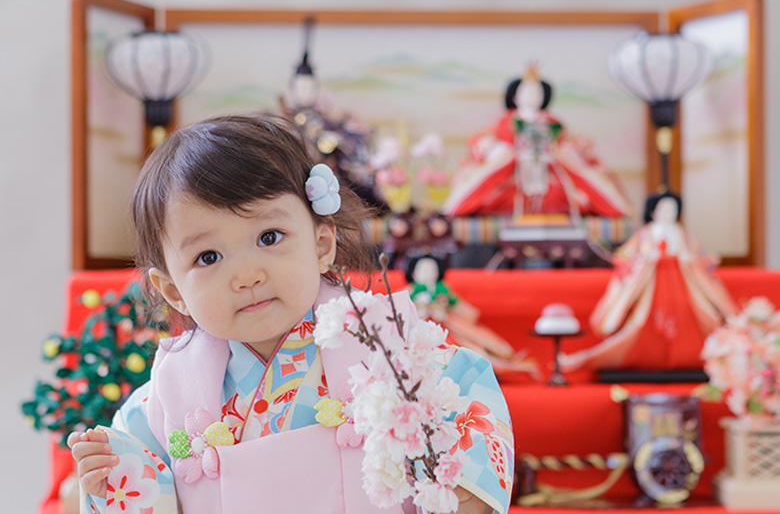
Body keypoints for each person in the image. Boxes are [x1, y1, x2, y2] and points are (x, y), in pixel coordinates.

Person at [67, 114, 514, 514]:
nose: (246, 275)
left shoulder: (386, 348)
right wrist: (114, 472)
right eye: (207, 257)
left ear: (321, 244)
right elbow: (142, 483)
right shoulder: (167, 398)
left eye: (268, 237)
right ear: (173, 291)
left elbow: (468, 395)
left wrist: (464, 488)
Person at [559, 191, 738, 372]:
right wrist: (644, 260)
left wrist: (688, 259)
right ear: (653, 212)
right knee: (642, 322)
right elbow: (624, 258)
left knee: (690, 316)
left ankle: (702, 357)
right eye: (665, 208)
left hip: (680, 281)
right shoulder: (646, 234)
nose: (670, 212)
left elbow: (703, 257)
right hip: (652, 283)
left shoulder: (681, 234)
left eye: (673, 208)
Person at [443, 66, 632, 221]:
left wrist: (558, 154)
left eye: (537, 92)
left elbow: (576, 151)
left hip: (549, 180)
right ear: (515, 97)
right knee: (486, 197)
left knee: (574, 197)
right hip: (512, 181)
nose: (532, 96)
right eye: (526, 92)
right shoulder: (502, 126)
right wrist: (506, 155)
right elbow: (481, 152)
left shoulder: (554, 125)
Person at [406, 254, 539, 379]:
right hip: (418, 333)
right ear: (413, 273)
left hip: (448, 331)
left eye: (431, 270)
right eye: (423, 270)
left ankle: (513, 367)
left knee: (474, 352)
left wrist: (445, 313)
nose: (428, 274)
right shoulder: (408, 292)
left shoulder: (444, 292)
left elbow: (469, 313)